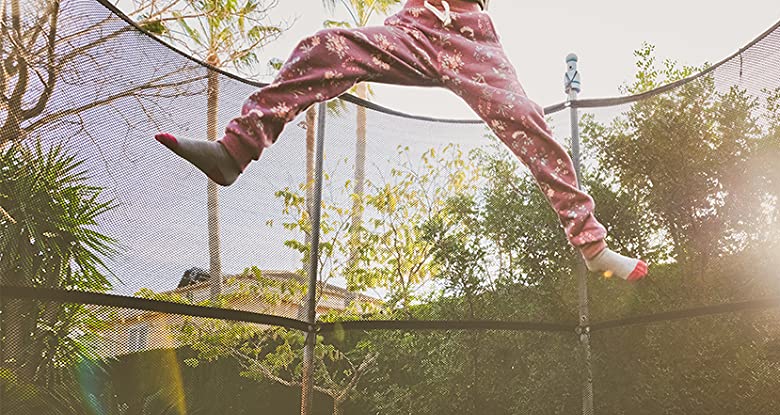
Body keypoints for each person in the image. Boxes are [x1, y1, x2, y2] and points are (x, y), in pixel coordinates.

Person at [156, 0, 649, 281]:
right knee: (325, 46)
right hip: (414, 25)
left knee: (527, 117)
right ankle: (235, 151)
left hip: (471, 36)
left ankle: (591, 244)